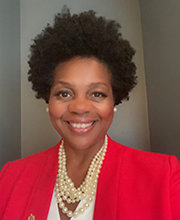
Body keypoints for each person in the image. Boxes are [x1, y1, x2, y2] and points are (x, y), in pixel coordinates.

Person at [0, 7, 180, 220]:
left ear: (115, 100)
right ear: (48, 99)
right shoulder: (10, 177)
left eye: (97, 93)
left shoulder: (163, 176)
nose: (80, 107)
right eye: (65, 93)